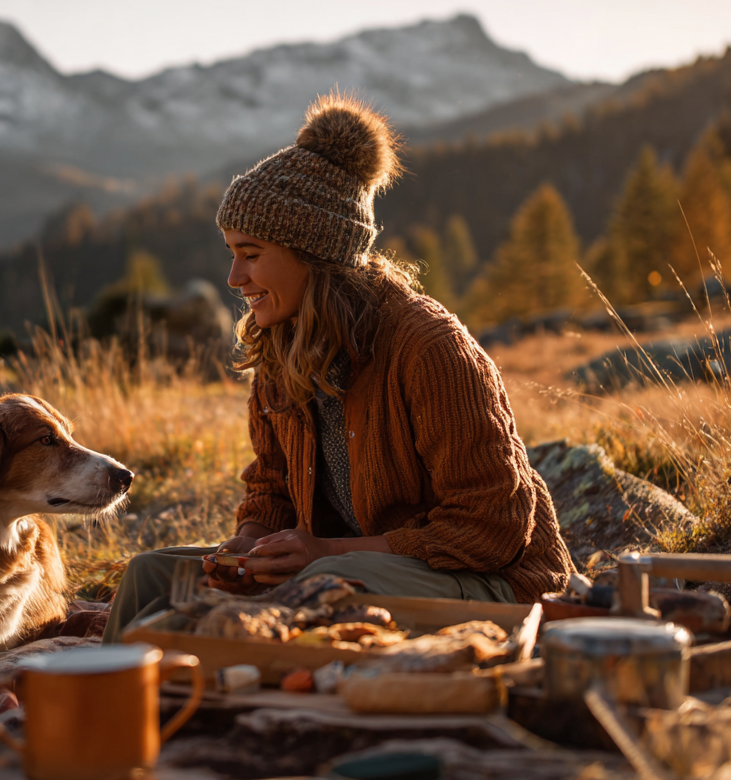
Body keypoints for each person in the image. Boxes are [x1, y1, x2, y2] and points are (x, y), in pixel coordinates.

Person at [102, 93, 574, 643]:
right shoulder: (280, 346)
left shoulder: (429, 348)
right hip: (343, 568)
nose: (234, 277)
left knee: (327, 580)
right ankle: (116, 709)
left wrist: (324, 552)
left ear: (314, 253)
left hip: (491, 583)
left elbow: (491, 526)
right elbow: (272, 486)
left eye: (251, 254)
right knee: (153, 576)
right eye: (231, 252)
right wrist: (248, 545)